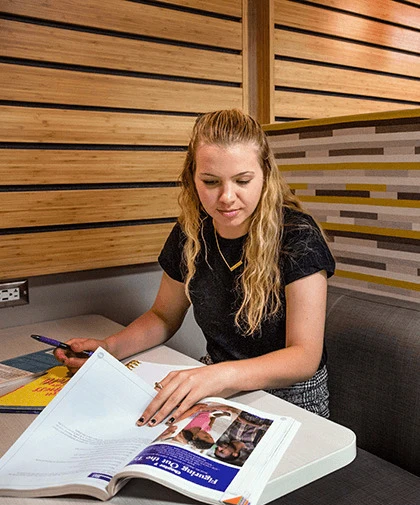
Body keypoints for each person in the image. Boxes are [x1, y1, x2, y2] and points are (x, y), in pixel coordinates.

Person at [55, 108, 335, 425]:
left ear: (265, 175)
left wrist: (217, 376)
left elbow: (304, 357)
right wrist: (109, 348)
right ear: (193, 178)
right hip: (219, 383)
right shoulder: (191, 233)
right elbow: (163, 316)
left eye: (243, 180)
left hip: (292, 397)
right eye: (211, 181)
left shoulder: (298, 236)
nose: (227, 197)